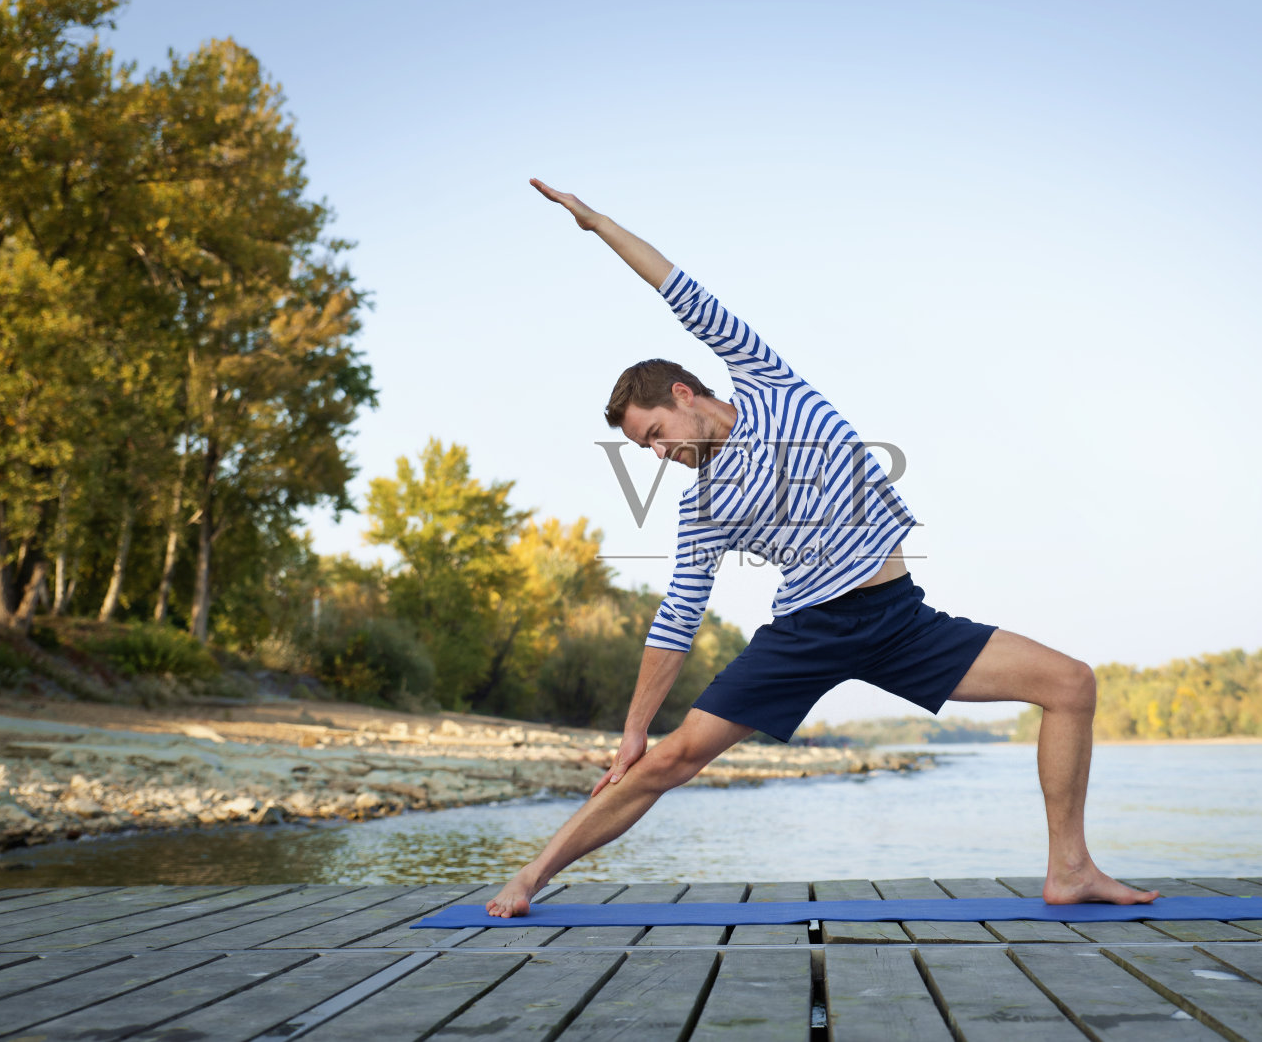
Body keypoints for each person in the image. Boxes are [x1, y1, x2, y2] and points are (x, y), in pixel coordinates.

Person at [486, 179, 1157, 916]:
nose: (659, 453)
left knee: (1071, 685)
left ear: (682, 393)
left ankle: (1070, 868)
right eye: (645, 449)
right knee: (670, 760)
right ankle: (529, 878)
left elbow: (673, 284)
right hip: (808, 631)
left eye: (655, 435)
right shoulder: (701, 507)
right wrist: (633, 734)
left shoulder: (765, 378)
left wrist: (597, 223)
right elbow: (677, 617)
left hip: (900, 620)